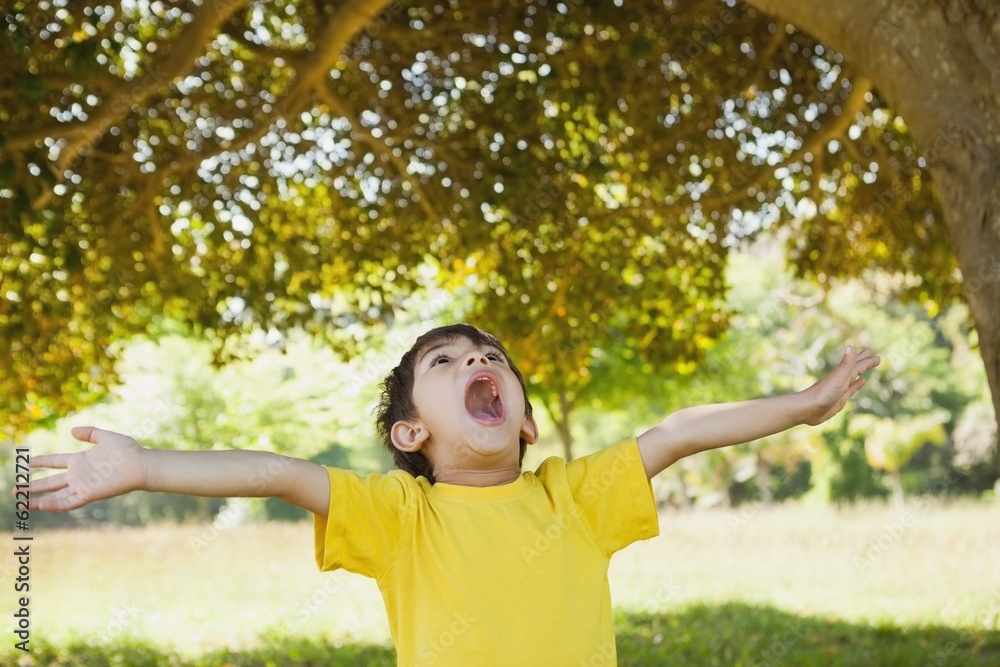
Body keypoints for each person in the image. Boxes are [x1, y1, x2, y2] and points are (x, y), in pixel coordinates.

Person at [28, 323, 880, 666]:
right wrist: (147, 465)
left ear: (526, 421)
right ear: (411, 435)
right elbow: (279, 472)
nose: (477, 363)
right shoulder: (402, 517)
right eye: (446, 362)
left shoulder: (573, 498)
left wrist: (805, 405)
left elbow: (683, 427)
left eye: (490, 357)